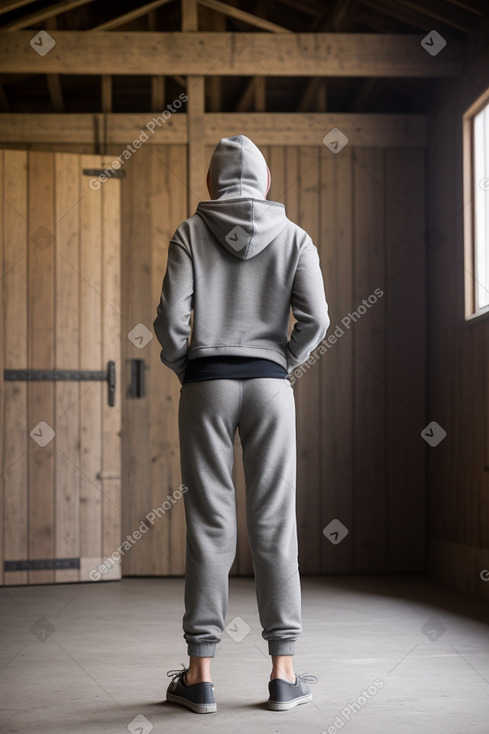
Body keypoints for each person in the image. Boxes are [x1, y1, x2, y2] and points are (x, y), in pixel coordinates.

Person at [153, 134, 329, 714]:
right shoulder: (296, 236)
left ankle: (200, 677)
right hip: (269, 386)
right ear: (266, 182)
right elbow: (318, 319)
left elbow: (170, 320)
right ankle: (284, 674)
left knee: (210, 522)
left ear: (212, 184)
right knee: (275, 522)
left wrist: (188, 366)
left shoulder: (189, 231)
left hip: (206, 383)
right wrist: (282, 363)